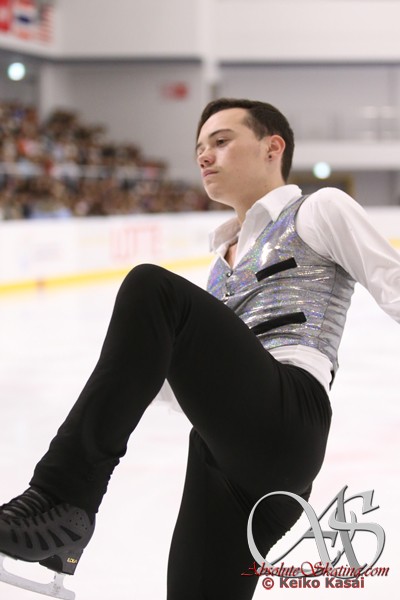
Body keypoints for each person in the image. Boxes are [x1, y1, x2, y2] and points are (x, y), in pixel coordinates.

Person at [0, 98, 399, 600]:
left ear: (272, 147)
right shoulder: (221, 265)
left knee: (152, 287)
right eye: (199, 149)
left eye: (221, 141)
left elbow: (393, 282)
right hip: (224, 451)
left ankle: (62, 499)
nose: (204, 156)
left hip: (287, 419)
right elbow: (190, 379)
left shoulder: (318, 209)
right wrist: (124, 377)